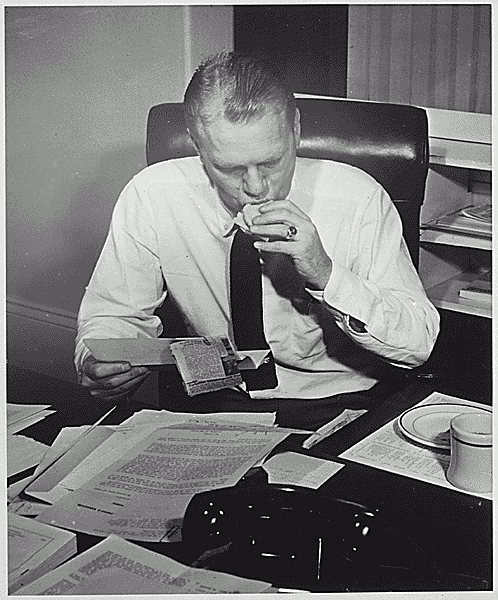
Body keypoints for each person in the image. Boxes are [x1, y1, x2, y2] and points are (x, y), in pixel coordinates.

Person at [75, 51, 439, 430]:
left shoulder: (357, 197)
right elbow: (114, 314)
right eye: (230, 168)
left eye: (271, 162)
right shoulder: (152, 194)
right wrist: (99, 360)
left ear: (295, 129)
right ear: (199, 148)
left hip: (337, 402)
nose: (255, 188)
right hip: (214, 399)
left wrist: (325, 273)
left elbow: (419, 345)